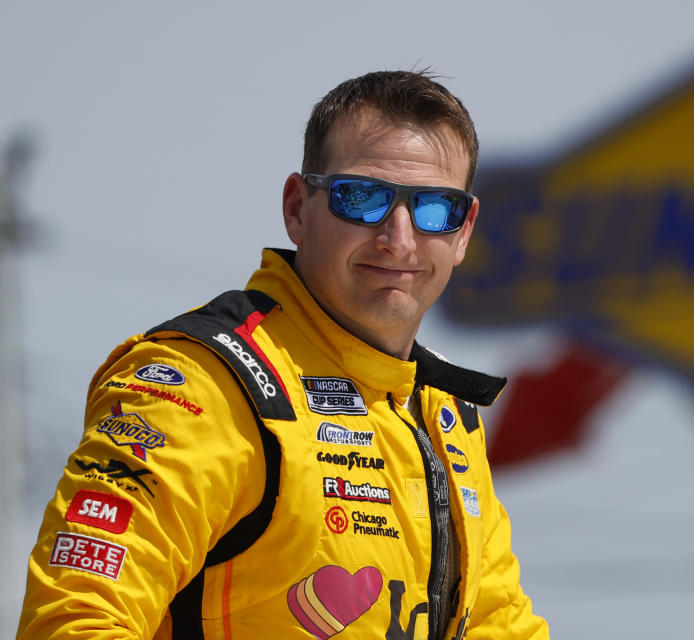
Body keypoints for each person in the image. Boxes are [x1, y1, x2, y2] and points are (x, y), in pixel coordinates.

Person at [18, 70, 550, 640]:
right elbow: (74, 618)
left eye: (434, 209)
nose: (399, 238)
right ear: (297, 207)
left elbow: (502, 625)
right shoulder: (202, 382)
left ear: (464, 230)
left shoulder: (444, 410)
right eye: (362, 198)